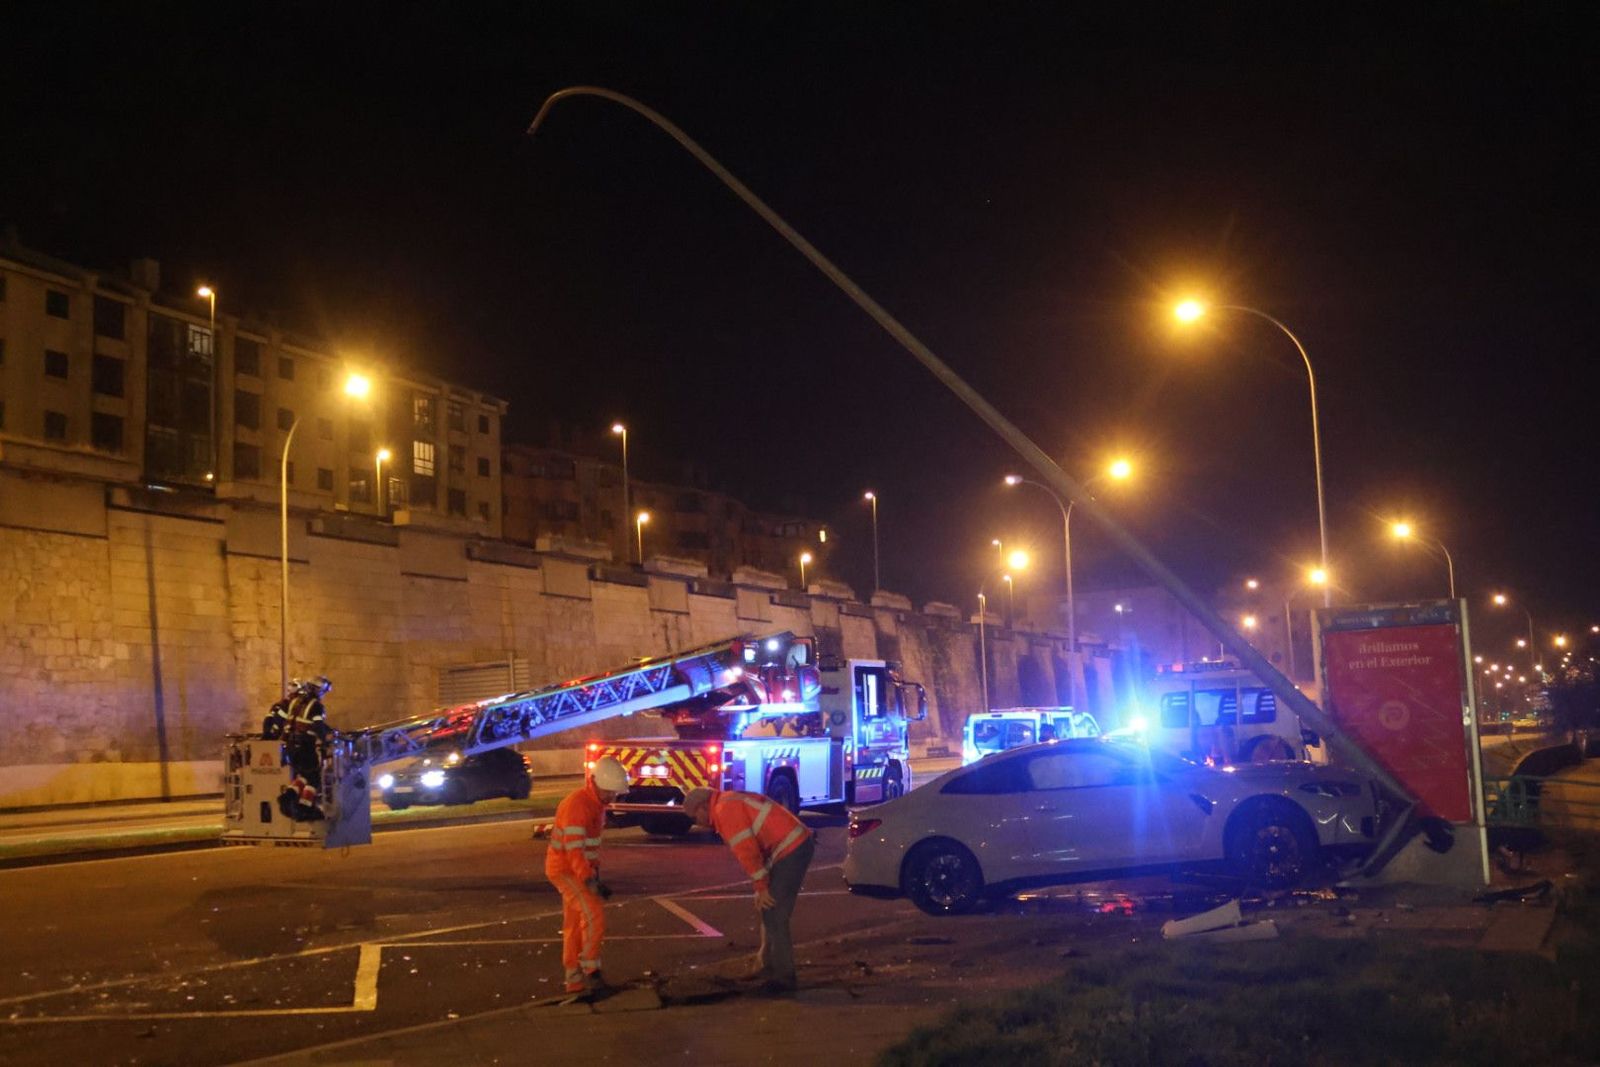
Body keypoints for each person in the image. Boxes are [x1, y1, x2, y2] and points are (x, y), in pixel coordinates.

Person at [681, 786, 815, 994]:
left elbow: (747, 852)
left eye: (694, 816)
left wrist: (761, 887)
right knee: (769, 910)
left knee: (775, 914)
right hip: (790, 845)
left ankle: (784, 979)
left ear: (702, 807)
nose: (696, 822)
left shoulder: (724, 811)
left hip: (791, 849)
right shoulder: (727, 802)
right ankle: (768, 966)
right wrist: (761, 887)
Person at [545, 755, 629, 996]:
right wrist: (589, 879)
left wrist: (593, 873)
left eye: (615, 793)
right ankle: (591, 971)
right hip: (566, 870)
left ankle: (574, 981)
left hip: (572, 869)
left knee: (573, 925)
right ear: (595, 783)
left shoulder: (594, 803)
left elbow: (585, 848)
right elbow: (574, 849)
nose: (612, 797)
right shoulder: (579, 805)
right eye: (609, 792)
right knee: (594, 914)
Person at [278, 676, 333, 821]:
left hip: (291, 746)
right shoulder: (316, 706)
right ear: (319, 690)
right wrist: (326, 742)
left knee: (303, 776)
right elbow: (318, 725)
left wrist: (331, 730)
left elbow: (293, 723)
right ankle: (305, 808)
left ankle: (287, 797)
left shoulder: (295, 702)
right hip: (305, 746)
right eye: (323, 691)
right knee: (314, 778)